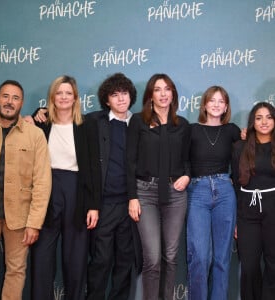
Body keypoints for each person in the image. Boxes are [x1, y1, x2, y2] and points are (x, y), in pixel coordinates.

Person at [0, 80, 51, 300]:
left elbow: (43, 181)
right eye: (5, 96)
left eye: (15, 98)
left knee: (16, 271)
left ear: (22, 103)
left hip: (20, 216)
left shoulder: (35, 136)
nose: (9, 102)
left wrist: (34, 222)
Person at [29, 75, 101, 300]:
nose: (63, 97)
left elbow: (93, 168)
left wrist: (93, 205)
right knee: (41, 256)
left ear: (75, 97)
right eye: (59, 93)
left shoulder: (87, 124)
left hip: (77, 190)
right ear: (52, 96)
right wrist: (35, 114)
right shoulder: (42, 122)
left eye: (68, 93)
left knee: (76, 258)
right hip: (46, 189)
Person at [127, 73, 190, 300]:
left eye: (167, 89)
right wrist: (132, 197)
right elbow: (130, 162)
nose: (163, 94)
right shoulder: (138, 121)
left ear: (173, 94)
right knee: (152, 258)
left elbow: (187, 160)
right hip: (145, 193)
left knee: (171, 256)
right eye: (158, 89)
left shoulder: (182, 125)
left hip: (175, 194)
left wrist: (188, 176)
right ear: (150, 95)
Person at [86, 72, 140, 300]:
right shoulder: (94, 121)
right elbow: (63, 118)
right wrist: (39, 114)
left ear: (131, 96)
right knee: (100, 261)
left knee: (125, 261)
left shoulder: (140, 123)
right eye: (114, 95)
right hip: (104, 204)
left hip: (131, 205)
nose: (120, 99)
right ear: (106, 100)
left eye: (124, 94)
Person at [186, 86, 240, 300]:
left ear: (226, 106)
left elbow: (246, 156)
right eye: (212, 100)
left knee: (222, 258)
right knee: (199, 256)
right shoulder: (191, 130)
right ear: (205, 104)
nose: (216, 104)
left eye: (221, 101)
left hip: (225, 190)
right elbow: (182, 160)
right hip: (197, 191)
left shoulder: (233, 130)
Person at [232, 102, 275, 300]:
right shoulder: (240, 147)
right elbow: (235, 183)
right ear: (252, 121)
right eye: (259, 117)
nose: (264, 122)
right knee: (249, 265)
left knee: (273, 262)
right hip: (247, 212)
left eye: (268, 117)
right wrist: (236, 220)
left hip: (273, 209)